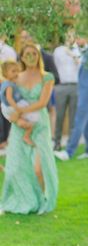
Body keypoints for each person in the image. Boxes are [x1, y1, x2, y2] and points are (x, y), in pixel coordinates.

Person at [0, 43, 58, 214]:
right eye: (27, 54)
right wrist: (17, 119)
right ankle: (26, 199)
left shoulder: (47, 77)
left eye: (34, 53)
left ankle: (44, 200)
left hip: (39, 124)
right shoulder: (16, 77)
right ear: (22, 57)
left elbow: (42, 103)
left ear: (39, 56)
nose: (31, 56)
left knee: (39, 169)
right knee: (14, 168)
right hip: (20, 126)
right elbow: (6, 100)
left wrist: (20, 112)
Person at [53, 36, 88, 161]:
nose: (76, 40)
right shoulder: (86, 53)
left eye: (79, 37)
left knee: (79, 122)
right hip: (87, 92)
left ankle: (69, 152)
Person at [53, 30, 80, 150]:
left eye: (72, 35)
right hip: (61, 86)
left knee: (73, 117)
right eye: (68, 35)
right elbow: (54, 66)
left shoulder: (79, 51)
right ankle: (57, 142)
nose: (70, 37)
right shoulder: (58, 51)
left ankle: (71, 144)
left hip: (75, 86)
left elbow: (81, 66)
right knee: (59, 115)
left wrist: (73, 55)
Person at [0, 61, 39, 146]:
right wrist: (18, 109)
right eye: (13, 71)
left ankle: (23, 128)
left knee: (24, 122)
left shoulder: (7, 83)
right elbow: (9, 99)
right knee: (34, 118)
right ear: (5, 73)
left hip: (8, 108)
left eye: (18, 71)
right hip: (12, 107)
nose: (17, 73)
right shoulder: (9, 85)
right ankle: (26, 136)